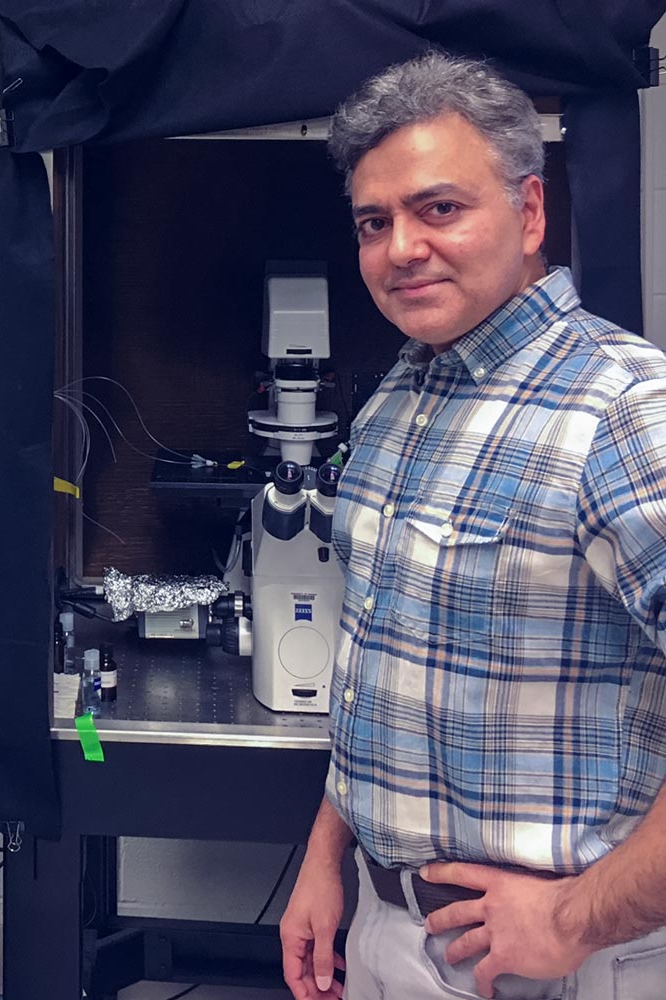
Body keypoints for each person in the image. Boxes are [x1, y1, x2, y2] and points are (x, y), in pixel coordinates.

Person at [278, 52, 666, 1000]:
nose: (400, 247)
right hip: (381, 926)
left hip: (544, 961)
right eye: (375, 222)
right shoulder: (399, 398)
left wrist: (574, 919)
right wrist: (329, 860)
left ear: (531, 213)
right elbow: (382, 668)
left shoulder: (624, 410)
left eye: (439, 208)